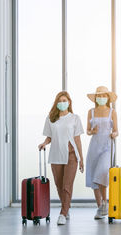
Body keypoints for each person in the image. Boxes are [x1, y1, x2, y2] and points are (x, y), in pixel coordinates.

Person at [39, 91, 84, 225]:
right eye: (60, 100)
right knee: (59, 185)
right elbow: (49, 136)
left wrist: (81, 158)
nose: (62, 103)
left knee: (67, 185)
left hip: (71, 155)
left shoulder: (75, 118)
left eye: (65, 100)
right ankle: (66, 207)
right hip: (56, 155)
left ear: (69, 102)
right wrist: (44, 143)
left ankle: (63, 213)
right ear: (56, 103)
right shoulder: (51, 118)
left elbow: (77, 139)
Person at [85, 86, 118, 219]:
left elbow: (116, 130)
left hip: (107, 146)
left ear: (108, 98)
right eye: (99, 96)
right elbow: (87, 130)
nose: (102, 98)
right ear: (96, 98)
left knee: (101, 173)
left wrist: (113, 134)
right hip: (94, 146)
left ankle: (105, 203)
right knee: (94, 176)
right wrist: (92, 131)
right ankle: (100, 207)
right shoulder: (91, 111)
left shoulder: (112, 111)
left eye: (104, 96)